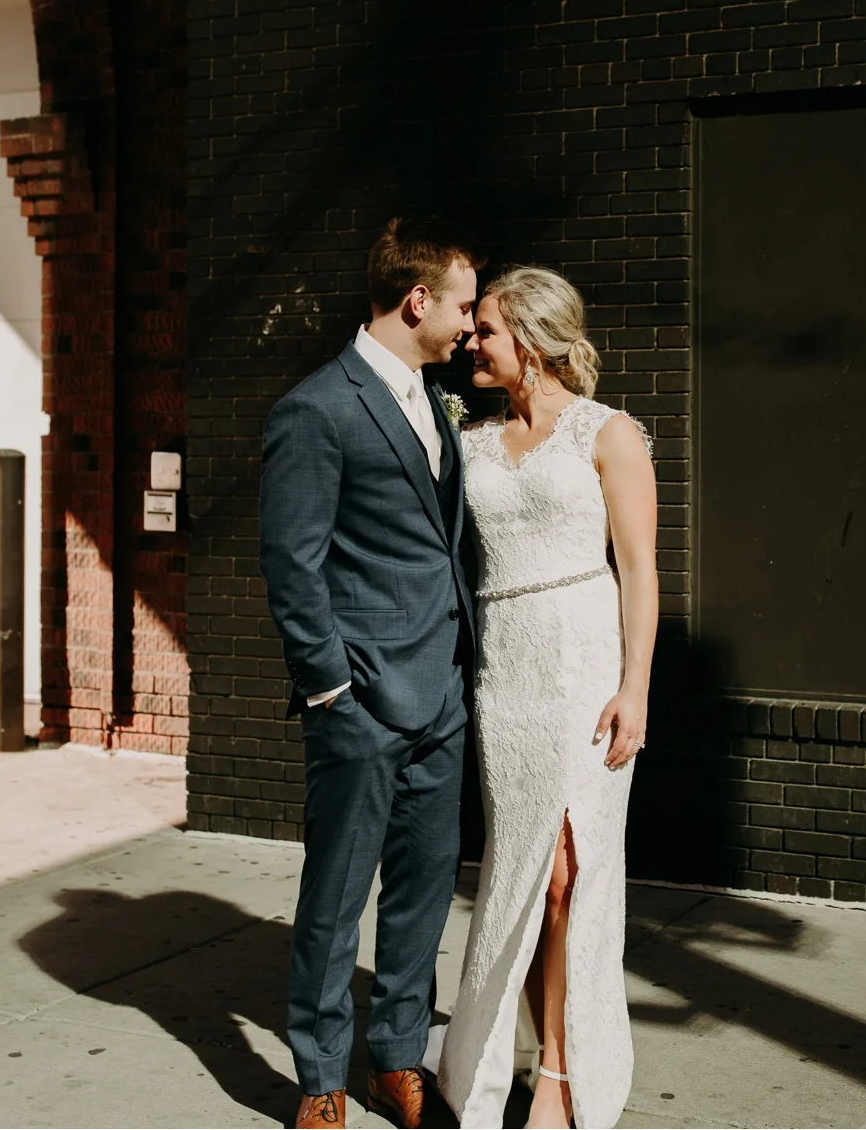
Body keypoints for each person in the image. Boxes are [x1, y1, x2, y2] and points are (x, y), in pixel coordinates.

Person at [259, 216, 483, 1130]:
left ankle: (397, 1056)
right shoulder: (316, 408)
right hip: (359, 702)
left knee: (425, 892)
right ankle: (318, 1076)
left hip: (444, 692)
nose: (472, 326)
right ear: (418, 299)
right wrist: (329, 689)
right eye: (465, 306)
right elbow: (292, 561)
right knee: (336, 898)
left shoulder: (434, 399)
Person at [436, 265, 657, 1130]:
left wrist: (635, 687)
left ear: (527, 339)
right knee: (525, 874)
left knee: (570, 875)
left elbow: (638, 572)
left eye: (485, 329)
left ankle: (563, 1073)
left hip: (586, 667)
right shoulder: (473, 443)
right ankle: (513, 1057)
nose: (471, 343)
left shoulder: (609, 434)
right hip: (507, 676)